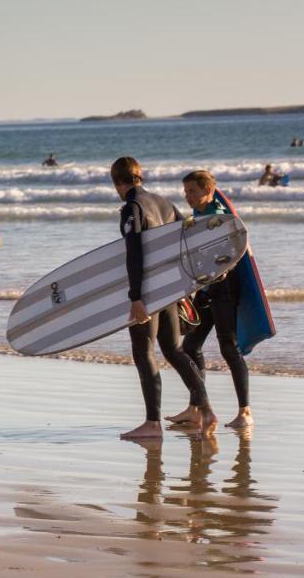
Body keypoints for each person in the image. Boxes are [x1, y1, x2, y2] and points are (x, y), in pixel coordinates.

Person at [111, 157, 211, 440]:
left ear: (117, 182)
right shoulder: (164, 203)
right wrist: (182, 287)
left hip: (147, 292)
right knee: (173, 349)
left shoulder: (132, 208)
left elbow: (134, 253)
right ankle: (206, 410)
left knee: (144, 353)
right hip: (168, 291)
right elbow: (187, 239)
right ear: (138, 176)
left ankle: (152, 424)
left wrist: (136, 297)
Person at [167, 170, 252, 430]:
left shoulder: (221, 219)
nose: (188, 196)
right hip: (207, 291)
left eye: (192, 191)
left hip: (225, 290)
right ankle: (197, 408)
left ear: (208, 191)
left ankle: (245, 412)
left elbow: (234, 253)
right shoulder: (198, 219)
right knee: (191, 346)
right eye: (186, 191)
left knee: (229, 348)